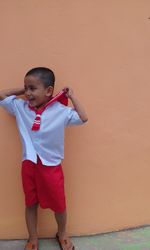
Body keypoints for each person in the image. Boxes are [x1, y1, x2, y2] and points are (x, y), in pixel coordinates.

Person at [0, 67, 88, 250]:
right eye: (27, 88)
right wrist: (22, 91)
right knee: (30, 202)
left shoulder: (61, 111)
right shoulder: (20, 107)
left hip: (51, 166)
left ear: (49, 91)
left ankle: (62, 233)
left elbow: (83, 117)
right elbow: (1, 94)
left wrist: (72, 97)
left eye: (33, 88)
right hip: (29, 164)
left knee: (59, 204)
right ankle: (32, 238)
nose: (28, 93)